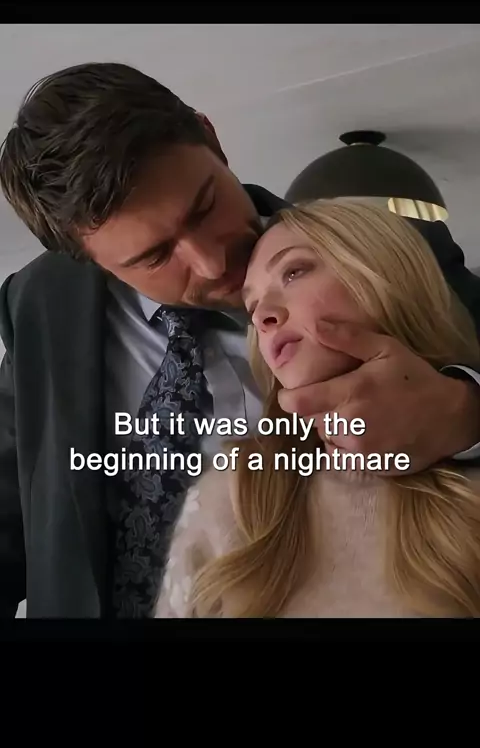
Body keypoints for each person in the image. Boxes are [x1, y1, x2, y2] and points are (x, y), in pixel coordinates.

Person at [0, 62, 479, 619]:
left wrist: (464, 411)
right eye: (155, 256)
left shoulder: (385, 250)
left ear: (212, 139)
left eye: (205, 207)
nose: (211, 261)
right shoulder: (41, 306)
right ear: (88, 259)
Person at [155, 200, 480, 618]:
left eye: (294, 272)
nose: (264, 315)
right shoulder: (232, 497)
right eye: (252, 308)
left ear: (384, 271)